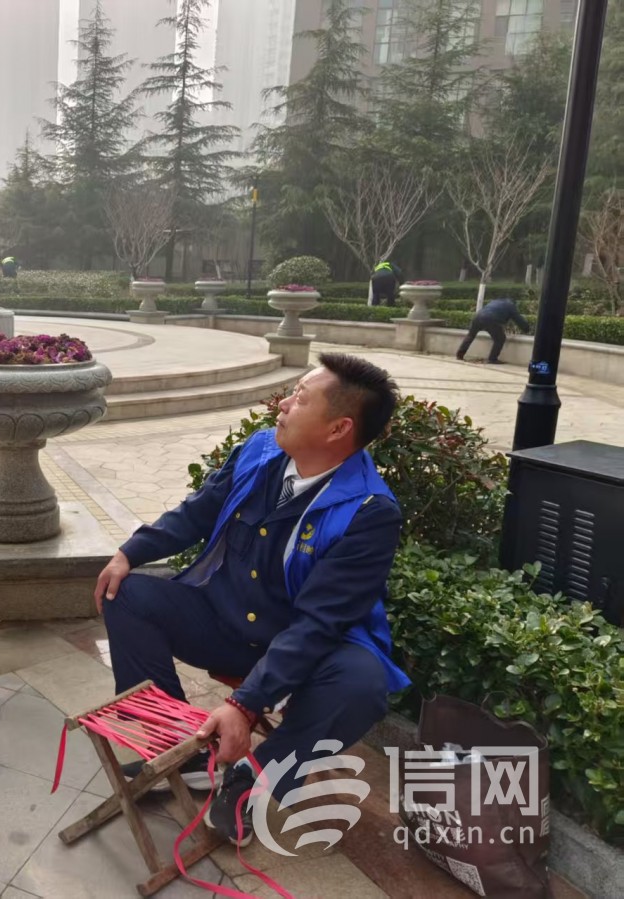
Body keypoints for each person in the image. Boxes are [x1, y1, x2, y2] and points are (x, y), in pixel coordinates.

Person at [94, 353, 410, 847]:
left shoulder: (369, 511)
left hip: (299, 651)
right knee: (127, 592)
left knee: (361, 685)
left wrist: (245, 704)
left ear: (338, 429)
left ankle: (253, 779)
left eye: (300, 398)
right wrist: (129, 552)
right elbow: (198, 512)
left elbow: (318, 624)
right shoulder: (260, 451)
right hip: (224, 622)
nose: (283, 404)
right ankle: (184, 750)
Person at [456, 297, 531, 364]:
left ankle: (460, 354)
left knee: (471, 335)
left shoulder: (496, 301)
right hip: (490, 319)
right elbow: (519, 320)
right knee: (500, 338)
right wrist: (527, 329)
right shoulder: (511, 306)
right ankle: (492, 359)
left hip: (478, 316)